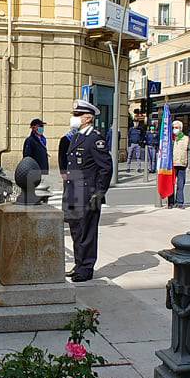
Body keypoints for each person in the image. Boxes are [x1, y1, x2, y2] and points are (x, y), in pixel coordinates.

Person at [62, 99, 112, 282]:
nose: (73, 118)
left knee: (87, 232)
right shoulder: (77, 136)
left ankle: (86, 268)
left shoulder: (95, 138)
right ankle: (79, 263)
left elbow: (105, 168)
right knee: (76, 230)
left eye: (77, 115)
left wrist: (100, 192)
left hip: (87, 193)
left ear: (88, 118)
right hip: (74, 192)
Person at [168, 121, 190, 209]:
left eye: (176, 127)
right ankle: (170, 202)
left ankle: (180, 202)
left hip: (182, 164)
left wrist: (189, 164)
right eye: (173, 127)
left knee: (180, 184)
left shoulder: (186, 138)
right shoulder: (170, 138)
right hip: (171, 164)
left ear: (181, 128)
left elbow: (189, 151)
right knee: (171, 184)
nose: (174, 129)